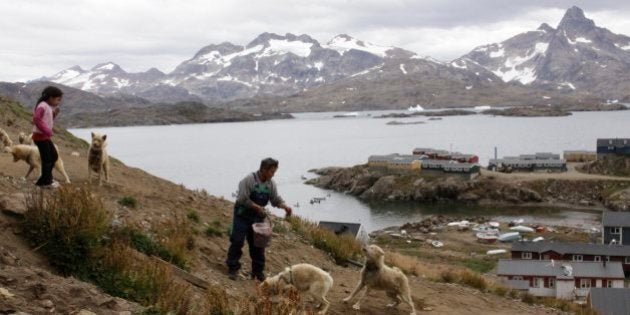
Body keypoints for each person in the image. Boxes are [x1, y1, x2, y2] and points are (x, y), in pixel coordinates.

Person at [226, 157, 292, 281]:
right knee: (237, 241)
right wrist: (256, 206)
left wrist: (285, 207)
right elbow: (242, 198)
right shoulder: (249, 180)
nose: (273, 175)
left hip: (257, 217)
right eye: (272, 172)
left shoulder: (271, 183)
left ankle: (257, 272)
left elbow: (275, 199)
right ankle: (233, 268)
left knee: (259, 245)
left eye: (274, 172)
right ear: (263, 169)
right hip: (242, 215)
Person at [32, 86, 63, 188]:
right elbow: (37, 119)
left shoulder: (47, 107)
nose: (59, 102)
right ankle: (46, 182)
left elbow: (46, 119)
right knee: (47, 159)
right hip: (40, 136)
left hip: (44, 137)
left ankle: (45, 178)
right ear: (50, 98)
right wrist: (47, 130)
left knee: (53, 156)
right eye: (58, 99)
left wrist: (54, 114)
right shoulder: (42, 106)